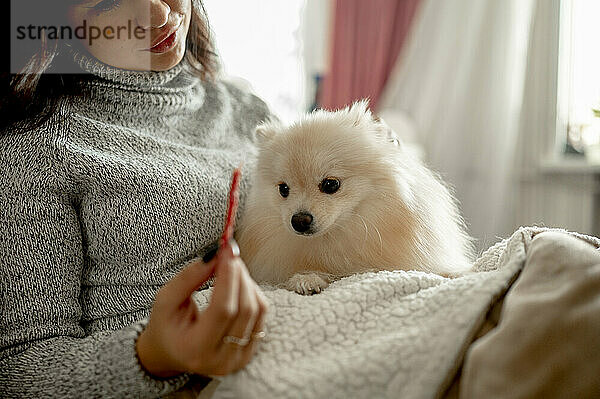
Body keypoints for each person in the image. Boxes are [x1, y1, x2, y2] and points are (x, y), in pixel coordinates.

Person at [0, 0, 270, 396]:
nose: (159, 15)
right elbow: (18, 369)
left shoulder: (245, 106)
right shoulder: (34, 151)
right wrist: (154, 356)